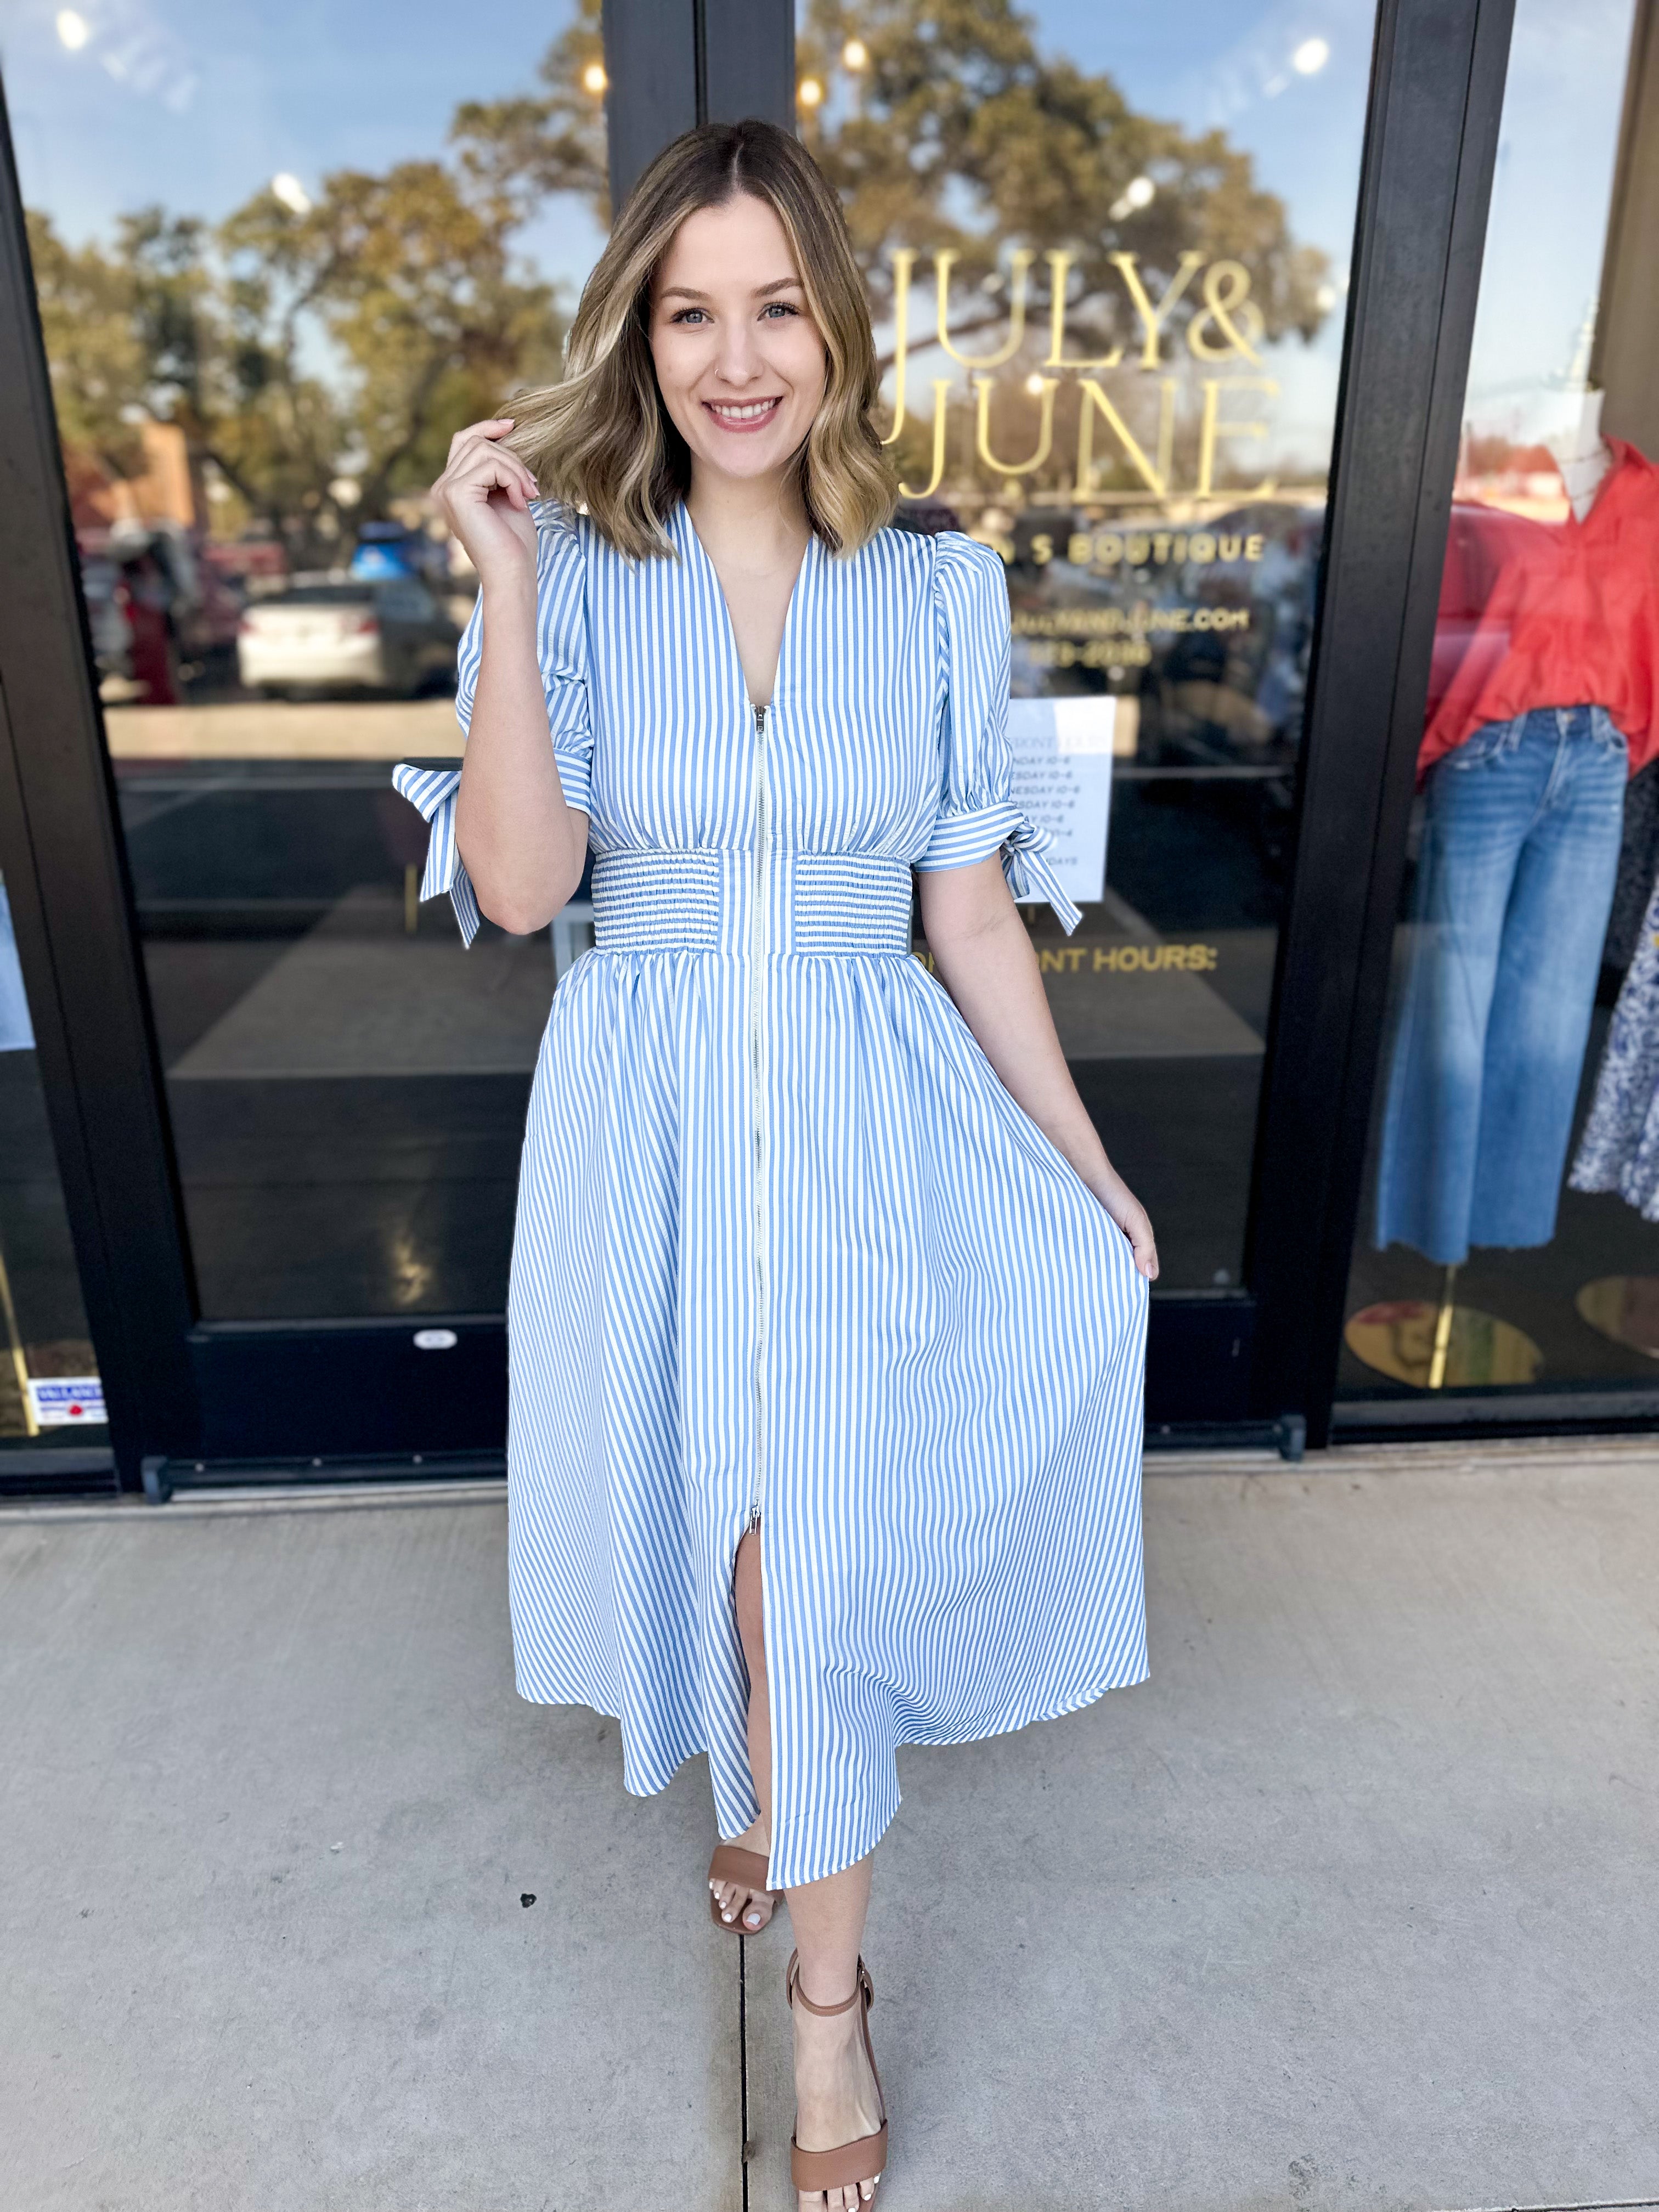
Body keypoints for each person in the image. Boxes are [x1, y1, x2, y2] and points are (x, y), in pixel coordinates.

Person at [399, 117, 1155, 2211]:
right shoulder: (576, 580)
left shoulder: (932, 590)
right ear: (643, 339)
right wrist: (510, 591)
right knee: (714, 1522)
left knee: (796, 1553)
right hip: (644, 1122)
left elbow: (970, 909)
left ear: (835, 331)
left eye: (779, 309)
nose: (739, 358)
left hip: (866, 1119)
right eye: (691, 312)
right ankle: (768, 1786)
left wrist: (1080, 1165)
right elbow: (530, 888)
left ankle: (829, 2001)